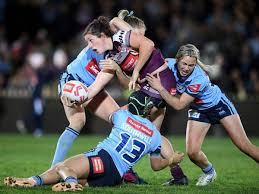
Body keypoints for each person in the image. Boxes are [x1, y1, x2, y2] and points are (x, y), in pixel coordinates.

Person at [84, 11, 188, 185]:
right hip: (148, 89)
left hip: (160, 82)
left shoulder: (123, 37)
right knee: (154, 138)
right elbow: (129, 86)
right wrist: (118, 70)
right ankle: (178, 175)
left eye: (90, 40)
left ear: (102, 35)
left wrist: (137, 71)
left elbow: (146, 43)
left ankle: (126, 170)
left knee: (121, 117)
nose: (89, 46)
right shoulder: (112, 54)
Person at [4, 91, 184, 192]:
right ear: (148, 110)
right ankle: (33, 181)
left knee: (62, 167)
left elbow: (98, 105)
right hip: (115, 177)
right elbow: (156, 166)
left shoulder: (122, 116)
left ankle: (71, 185)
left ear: (130, 104)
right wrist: (171, 161)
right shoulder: (155, 135)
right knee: (71, 177)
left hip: (103, 159)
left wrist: (78, 97)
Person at [145, 43, 259, 186]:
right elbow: (149, 67)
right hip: (198, 110)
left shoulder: (199, 78)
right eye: (184, 63)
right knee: (192, 152)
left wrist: (160, 88)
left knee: (244, 146)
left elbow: (179, 105)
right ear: (177, 59)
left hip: (218, 105)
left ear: (196, 64)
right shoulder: (168, 64)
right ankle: (210, 172)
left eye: (191, 65)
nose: (186, 68)